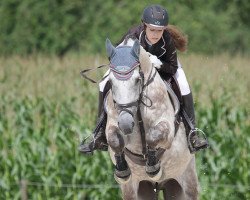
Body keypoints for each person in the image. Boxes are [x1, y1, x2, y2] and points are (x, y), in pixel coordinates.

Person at [79, 4, 208, 154]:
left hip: (164, 67)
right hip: (134, 69)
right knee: (102, 84)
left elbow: (172, 68)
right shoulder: (133, 35)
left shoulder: (167, 40)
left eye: (159, 30)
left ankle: (192, 133)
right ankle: (99, 134)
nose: (155, 34)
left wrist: (157, 63)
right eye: (152, 30)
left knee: (184, 86)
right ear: (144, 25)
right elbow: (116, 55)